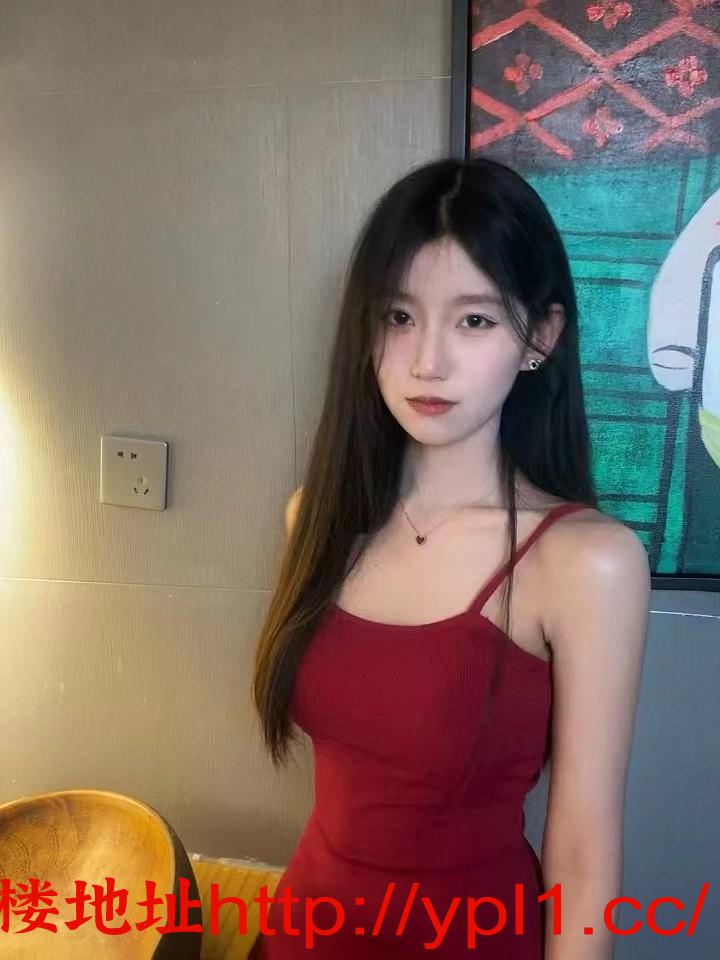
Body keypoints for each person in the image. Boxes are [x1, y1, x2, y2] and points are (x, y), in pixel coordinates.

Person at [251, 156, 651, 958]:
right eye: (399, 316)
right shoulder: (317, 521)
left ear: (540, 337)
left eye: (474, 320)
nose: (427, 360)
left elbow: (582, 855)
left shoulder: (586, 562)